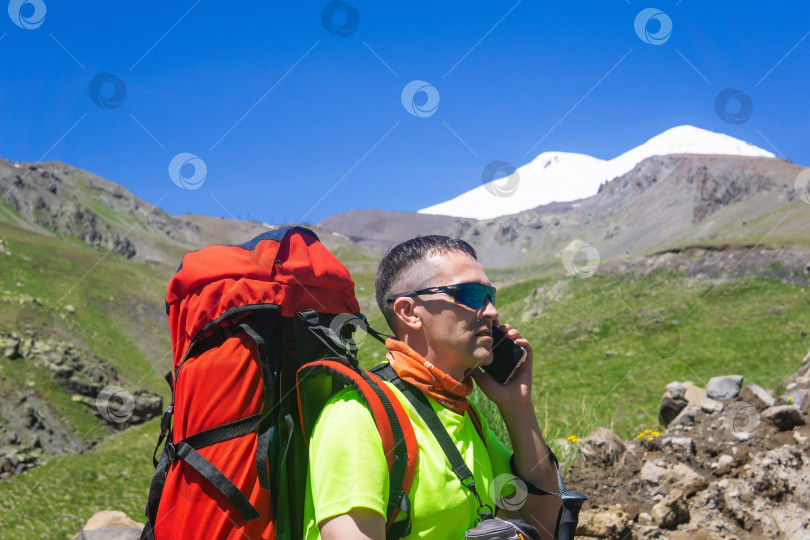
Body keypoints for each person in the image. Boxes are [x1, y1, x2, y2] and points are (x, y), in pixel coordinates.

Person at [302, 235, 562, 539]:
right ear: (409, 312)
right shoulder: (358, 415)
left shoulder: (468, 418)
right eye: (471, 295)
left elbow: (544, 521)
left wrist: (517, 405)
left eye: (490, 296)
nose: (491, 312)